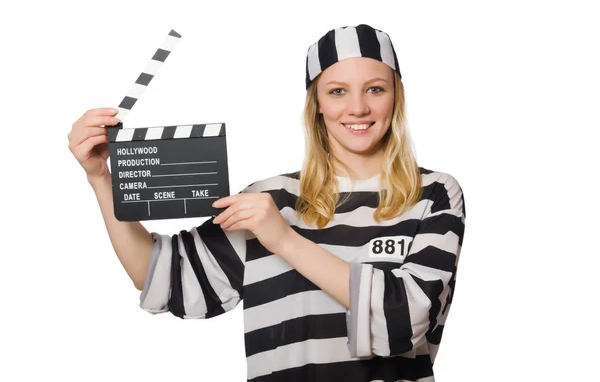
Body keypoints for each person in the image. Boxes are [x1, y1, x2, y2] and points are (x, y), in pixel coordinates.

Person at [68, 23, 466, 382]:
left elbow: (403, 320)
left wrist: (284, 240)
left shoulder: (432, 194)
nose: (358, 107)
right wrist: (101, 179)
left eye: (375, 89)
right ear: (317, 105)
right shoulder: (270, 199)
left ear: (396, 97)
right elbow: (163, 277)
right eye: (337, 91)